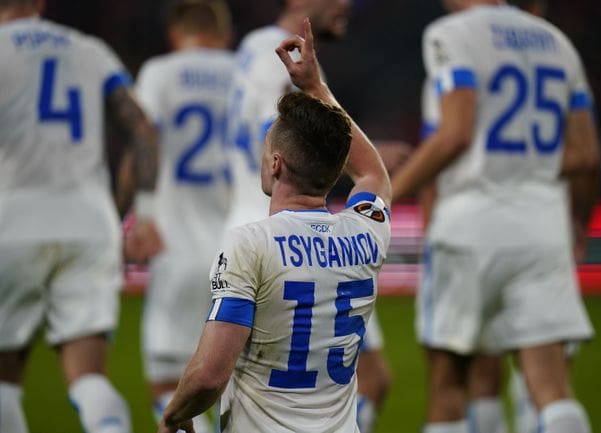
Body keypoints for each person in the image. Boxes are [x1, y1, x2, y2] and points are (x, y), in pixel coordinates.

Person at [157, 18, 391, 433]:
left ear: (275, 163)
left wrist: (174, 414)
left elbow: (211, 376)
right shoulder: (366, 233)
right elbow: (372, 172)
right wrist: (316, 88)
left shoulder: (250, 244)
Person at [391, 1, 601, 432]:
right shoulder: (557, 42)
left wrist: (386, 192)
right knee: (551, 385)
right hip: (543, 227)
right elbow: (588, 156)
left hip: (470, 222)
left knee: (450, 385)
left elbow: (455, 132)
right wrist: (579, 220)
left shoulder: (452, 33)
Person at [224, 1, 390, 431]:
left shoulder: (252, 47)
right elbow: (286, 144)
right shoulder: (281, 57)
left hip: (249, 233)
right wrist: (318, 92)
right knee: (369, 378)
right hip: (291, 233)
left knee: (247, 384)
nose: (348, 5)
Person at [0, 1, 160, 432]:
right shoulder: (88, 49)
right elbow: (142, 127)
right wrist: (140, 214)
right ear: (39, 3)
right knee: (89, 377)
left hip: (12, 221)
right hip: (88, 221)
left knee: (4, 385)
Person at [124, 1, 234, 431]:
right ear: (225, 35)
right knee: (242, 385)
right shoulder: (245, 68)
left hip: (177, 246)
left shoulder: (159, 73)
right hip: (243, 248)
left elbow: (142, 140)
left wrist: (141, 217)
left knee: (170, 387)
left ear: (175, 35)